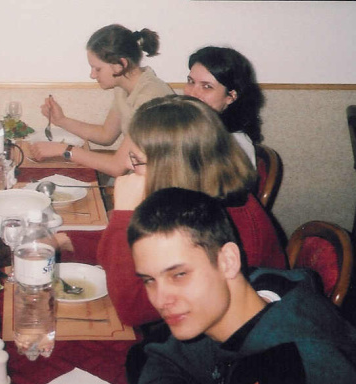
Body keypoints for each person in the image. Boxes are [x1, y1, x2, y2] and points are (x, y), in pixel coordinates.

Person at [58, 95, 286, 327]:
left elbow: (134, 309)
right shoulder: (192, 195)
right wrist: (67, 241)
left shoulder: (226, 224)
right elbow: (144, 244)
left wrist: (123, 217)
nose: (127, 165)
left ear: (172, 166)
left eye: (136, 159)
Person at [128, 187, 356, 384]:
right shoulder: (244, 299)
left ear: (228, 261)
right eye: (149, 280)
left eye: (179, 275)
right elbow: (157, 357)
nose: (160, 300)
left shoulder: (288, 372)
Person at [29, 24, 173, 176]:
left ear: (120, 65)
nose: (92, 75)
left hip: (159, 183)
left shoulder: (150, 98)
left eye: (97, 69)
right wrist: (61, 120)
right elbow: (106, 135)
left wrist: (63, 150)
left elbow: (117, 167)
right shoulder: (123, 87)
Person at [183, 46, 264, 168]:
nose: (192, 93)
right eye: (191, 82)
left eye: (207, 86)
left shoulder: (234, 145)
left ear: (231, 96)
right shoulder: (188, 127)